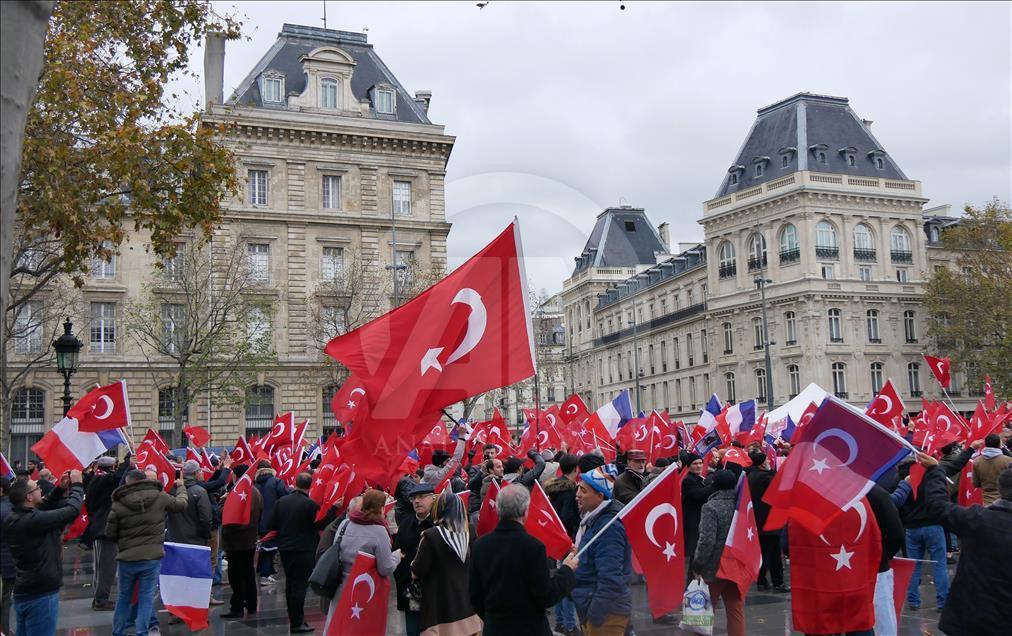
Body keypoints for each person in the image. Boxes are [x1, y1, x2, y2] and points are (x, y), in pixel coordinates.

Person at [469, 484, 578, 635]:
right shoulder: (534, 547)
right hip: (530, 628)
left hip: (496, 628)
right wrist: (566, 570)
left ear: (498, 510)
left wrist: (494, 619)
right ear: (525, 511)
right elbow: (545, 595)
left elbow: (474, 594)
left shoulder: (480, 545)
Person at [920, 457, 1012, 636]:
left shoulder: (977, 520)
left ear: (1000, 489)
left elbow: (937, 506)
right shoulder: (978, 519)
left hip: (969, 618)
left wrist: (936, 471)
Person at [106, 469, 188, 636]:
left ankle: (118, 632)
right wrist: (181, 488)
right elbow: (181, 505)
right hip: (151, 557)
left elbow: (110, 534)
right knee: (146, 598)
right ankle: (142, 632)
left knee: (123, 598)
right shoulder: (160, 496)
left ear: (128, 482)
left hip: (127, 558)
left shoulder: (119, 503)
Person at [2, 470, 84, 636]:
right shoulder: (33, 521)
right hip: (41, 592)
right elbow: (72, 510)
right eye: (36, 488)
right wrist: (77, 485)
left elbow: (43, 506)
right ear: (29, 498)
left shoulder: (15, 516)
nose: (40, 488)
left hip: (25, 590)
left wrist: (60, 489)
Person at [898, 440, 977, 611]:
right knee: (939, 564)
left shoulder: (901, 475)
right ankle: (943, 602)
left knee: (914, 565)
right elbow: (956, 465)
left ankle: (913, 601)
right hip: (933, 525)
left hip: (911, 528)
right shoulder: (933, 472)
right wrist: (970, 449)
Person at [267, 472, 335, 634]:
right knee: (299, 587)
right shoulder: (310, 505)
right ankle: (297, 622)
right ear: (310, 486)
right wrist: (333, 508)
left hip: (285, 549)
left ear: (296, 483)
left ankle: (295, 618)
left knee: (290, 585)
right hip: (304, 550)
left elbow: (272, 524)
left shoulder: (281, 502)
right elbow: (322, 524)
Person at [571, 465, 632, 636]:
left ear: (599, 496)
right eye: (578, 488)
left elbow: (611, 577)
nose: (577, 495)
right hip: (595, 609)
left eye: (583, 490)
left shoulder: (608, 527)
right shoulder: (593, 520)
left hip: (606, 615)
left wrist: (595, 614)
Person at [326, 489, 400, 628]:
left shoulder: (345, 524)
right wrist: (396, 556)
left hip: (340, 586)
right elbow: (385, 568)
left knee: (339, 626)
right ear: (381, 508)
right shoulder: (379, 531)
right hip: (363, 592)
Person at [411, 490, 482, 635]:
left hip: (439, 607)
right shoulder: (471, 530)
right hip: (468, 605)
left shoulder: (431, 535)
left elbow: (418, 570)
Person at [692, 469, 744, 636]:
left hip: (713, 567)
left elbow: (707, 540)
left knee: (704, 610)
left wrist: (698, 564)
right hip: (736, 565)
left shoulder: (710, 507)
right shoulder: (741, 506)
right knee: (735, 610)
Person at [544, 453, 582, 636]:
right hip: (567, 539)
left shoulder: (554, 488)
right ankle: (568, 624)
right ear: (576, 469)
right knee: (567, 581)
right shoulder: (569, 490)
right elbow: (567, 516)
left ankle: (560, 622)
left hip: (556, 538)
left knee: (561, 576)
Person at [220, 464, 263, 620]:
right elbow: (260, 513)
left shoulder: (237, 492)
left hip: (235, 541)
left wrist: (222, 501)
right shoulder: (256, 492)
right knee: (249, 573)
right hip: (250, 539)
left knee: (236, 576)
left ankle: (237, 607)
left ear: (236, 476)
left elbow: (225, 516)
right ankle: (251, 604)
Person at [86, 455, 128, 611]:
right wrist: (129, 462)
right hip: (103, 529)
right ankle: (100, 600)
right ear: (111, 468)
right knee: (105, 568)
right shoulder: (100, 481)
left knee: (104, 567)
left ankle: (99, 597)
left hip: (101, 528)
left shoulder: (95, 479)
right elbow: (117, 478)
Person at [394, 482, 436, 636]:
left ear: (433, 499)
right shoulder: (406, 523)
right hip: (410, 588)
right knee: (413, 630)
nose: (417, 501)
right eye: (413, 498)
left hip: (434, 588)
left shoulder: (440, 524)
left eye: (421, 497)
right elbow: (397, 552)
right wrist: (402, 575)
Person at [745, 450, 788, 592]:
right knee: (774, 554)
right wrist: (772, 473)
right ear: (763, 463)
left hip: (756, 521)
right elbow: (778, 486)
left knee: (761, 553)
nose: (769, 462)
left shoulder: (749, 476)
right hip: (769, 521)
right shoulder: (765, 477)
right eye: (767, 461)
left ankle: (761, 581)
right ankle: (778, 582)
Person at [254, 459, 289, 585]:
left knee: (265, 547)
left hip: (259, 522)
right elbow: (286, 496)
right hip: (273, 521)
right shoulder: (276, 481)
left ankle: (266, 571)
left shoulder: (254, 484)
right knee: (269, 548)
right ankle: (265, 574)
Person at [680, 452, 712, 581]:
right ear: (689, 466)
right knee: (695, 553)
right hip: (692, 521)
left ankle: (695, 582)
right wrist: (713, 487)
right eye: (695, 464)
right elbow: (698, 495)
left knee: (697, 554)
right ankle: (692, 584)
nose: (698, 466)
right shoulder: (688, 480)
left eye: (700, 463)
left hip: (698, 519)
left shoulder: (698, 478)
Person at [973, 433, 1012, 506]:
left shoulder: (977, 461)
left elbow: (975, 484)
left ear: (986, 444)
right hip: (1005, 502)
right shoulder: (1008, 461)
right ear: (999, 445)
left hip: (986, 501)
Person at [0, 477, 14, 633]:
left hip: (4, 563)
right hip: (9, 562)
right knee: (5, 600)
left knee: (4, 601)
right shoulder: (12, 508)